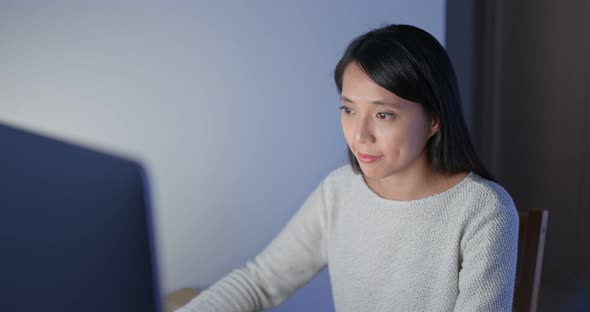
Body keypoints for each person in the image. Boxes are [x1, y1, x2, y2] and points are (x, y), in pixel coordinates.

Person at [176, 24, 518, 312]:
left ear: (434, 119)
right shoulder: (340, 191)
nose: (359, 134)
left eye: (384, 115)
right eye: (349, 110)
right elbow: (260, 282)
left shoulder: (483, 210)